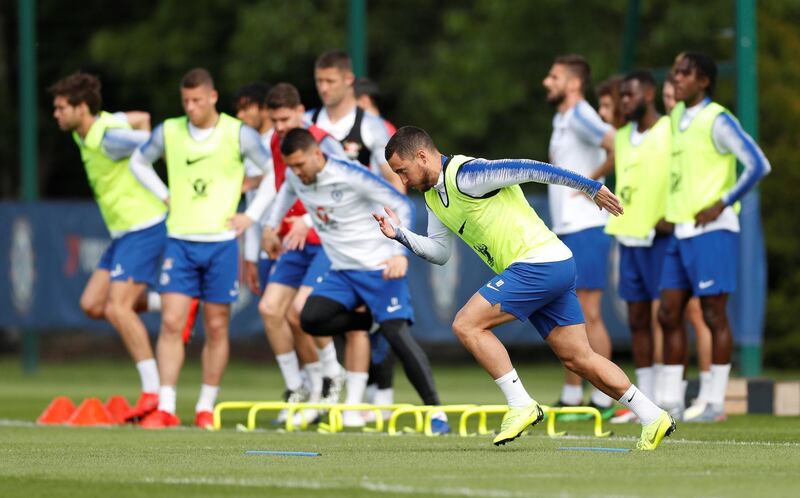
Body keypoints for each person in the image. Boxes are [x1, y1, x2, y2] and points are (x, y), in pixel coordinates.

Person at [376, 126, 674, 449]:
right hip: (554, 263)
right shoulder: (433, 197)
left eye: (403, 171)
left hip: (538, 264)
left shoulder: (466, 175)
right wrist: (400, 235)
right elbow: (440, 252)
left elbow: (531, 169)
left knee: (467, 324)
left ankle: (521, 404)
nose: (402, 181)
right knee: (579, 358)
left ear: (421, 156)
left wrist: (591, 187)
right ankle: (653, 415)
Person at [265, 128, 449, 432]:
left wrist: (398, 253)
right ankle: (371, 321)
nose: (296, 172)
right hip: (342, 271)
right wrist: (270, 228)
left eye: (299, 165)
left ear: (316, 154)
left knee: (398, 338)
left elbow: (400, 203)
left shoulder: (350, 174)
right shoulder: (296, 177)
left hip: (379, 267)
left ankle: (436, 413)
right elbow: (285, 191)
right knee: (309, 319)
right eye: (291, 167)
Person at [129, 68, 276, 428]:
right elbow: (138, 161)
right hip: (180, 240)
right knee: (172, 323)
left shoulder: (237, 133)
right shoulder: (170, 131)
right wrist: (163, 194)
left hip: (222, 244)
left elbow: (274, 170)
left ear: (213, 97)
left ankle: (205, 407)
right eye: (186, 101)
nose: (191, 107)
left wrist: (252, 215)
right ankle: (165, 406)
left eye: (197, 100)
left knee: (216, 326)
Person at [49, 72, 178, 423]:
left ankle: (152, 392)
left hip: (146, 225)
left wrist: (152, 161)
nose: (56, 114)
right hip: (122, 233)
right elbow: (138, 117)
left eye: (61, 108)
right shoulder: (88, 132)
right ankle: (172, 302)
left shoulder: (108, 139)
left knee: (119, 309)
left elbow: (153, 140)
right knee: (93, 304)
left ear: (81, 107)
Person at [658, 52, 770, 422]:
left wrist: (722, 203)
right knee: (668, 312)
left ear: (704, 80)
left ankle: (715, 402)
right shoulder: (676, 117)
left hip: (713, 231)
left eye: (685, 73)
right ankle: (671, 401)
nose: (677, 78)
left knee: (713, 314)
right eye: (675, 72)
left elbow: (757, 164)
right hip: (680, 231)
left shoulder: (718, 119)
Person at [258, 83, 348, 424]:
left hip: (327, 238)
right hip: (295, 241)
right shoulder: (275, 142)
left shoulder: (325, 142)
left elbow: (344, 188)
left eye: (284, 119)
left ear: (300, 111)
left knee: (300, 311)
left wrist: (308, 219)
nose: (279, 127)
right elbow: (284, 188)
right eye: (275, 120)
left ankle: (331, 376)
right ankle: (299, 387)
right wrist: (271, 225)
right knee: (270, 310)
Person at [542, 54, 616, 418]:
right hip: (567, 228)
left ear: (573, 83)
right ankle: (572, 396)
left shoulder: (583, 113)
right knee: (565, 312)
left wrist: (590, 185)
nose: (546, 82)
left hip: (587, 227)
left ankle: (605, 397)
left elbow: (615, 144)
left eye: (553, 76)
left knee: (589, 313)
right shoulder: (562, 117)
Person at [604, 71, 672, 423]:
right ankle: (644, 402)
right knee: (637, 318)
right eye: (621, 98)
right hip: (628, 236)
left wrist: (672, 214)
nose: (624, 103)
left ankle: (668, 395)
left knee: (666, 316)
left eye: (629, 96)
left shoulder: (670, 129)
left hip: (660, 238)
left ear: (649, 92)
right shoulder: (623, 135)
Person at [656, 76, 714, 417]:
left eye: (672, 94)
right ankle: (672, 395)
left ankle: (708, 395)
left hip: (697, 229)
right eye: (665, 95)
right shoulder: (669, 128)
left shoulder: (693, 128)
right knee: (668, 313)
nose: (670, 100)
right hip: (672, 231)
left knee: (699, 312)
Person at [308, 49, 403, 191]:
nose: (323, 88)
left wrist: (395, 213)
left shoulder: (372, 125)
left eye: (330, 81)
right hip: (317, 211)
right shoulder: (307, 122)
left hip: (361, 212)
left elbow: (395, 179)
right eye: (319, 81)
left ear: (348, 79)